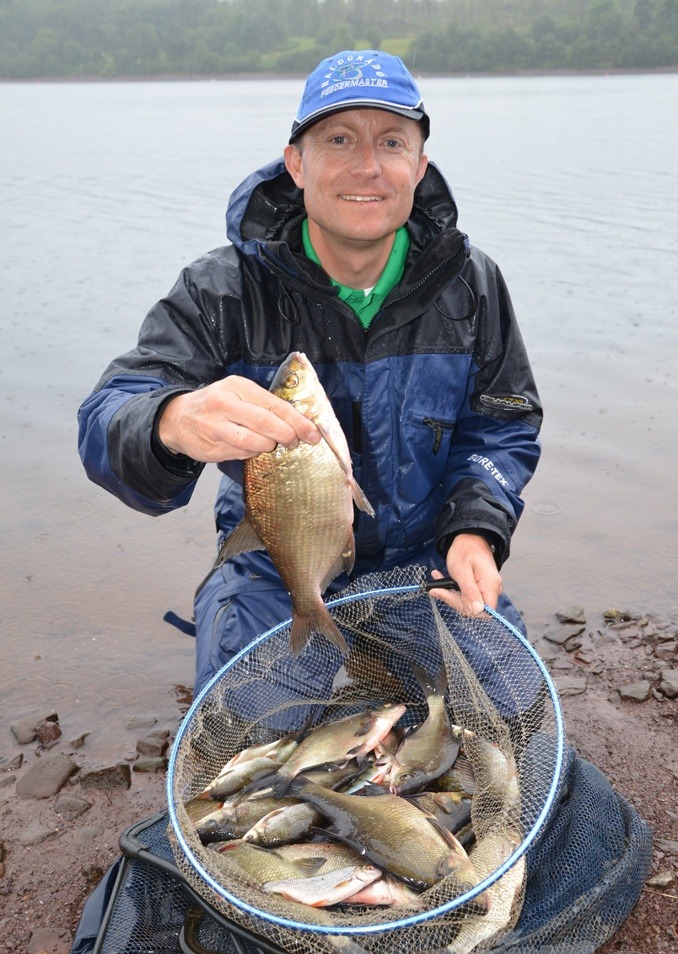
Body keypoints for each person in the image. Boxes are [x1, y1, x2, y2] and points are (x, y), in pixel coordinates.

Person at [78, 50, 542, 698]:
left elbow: (504, 421)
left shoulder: (472, 285)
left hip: (424, 561)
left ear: (420, 166)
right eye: (339, 139)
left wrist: (476, 527)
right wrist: (169, 421)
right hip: (274, 563)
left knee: (510, 712)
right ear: (296, 162)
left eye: (391, 142)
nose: (367, 167)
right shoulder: (223, 291)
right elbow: (107, 416)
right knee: (254, 740)